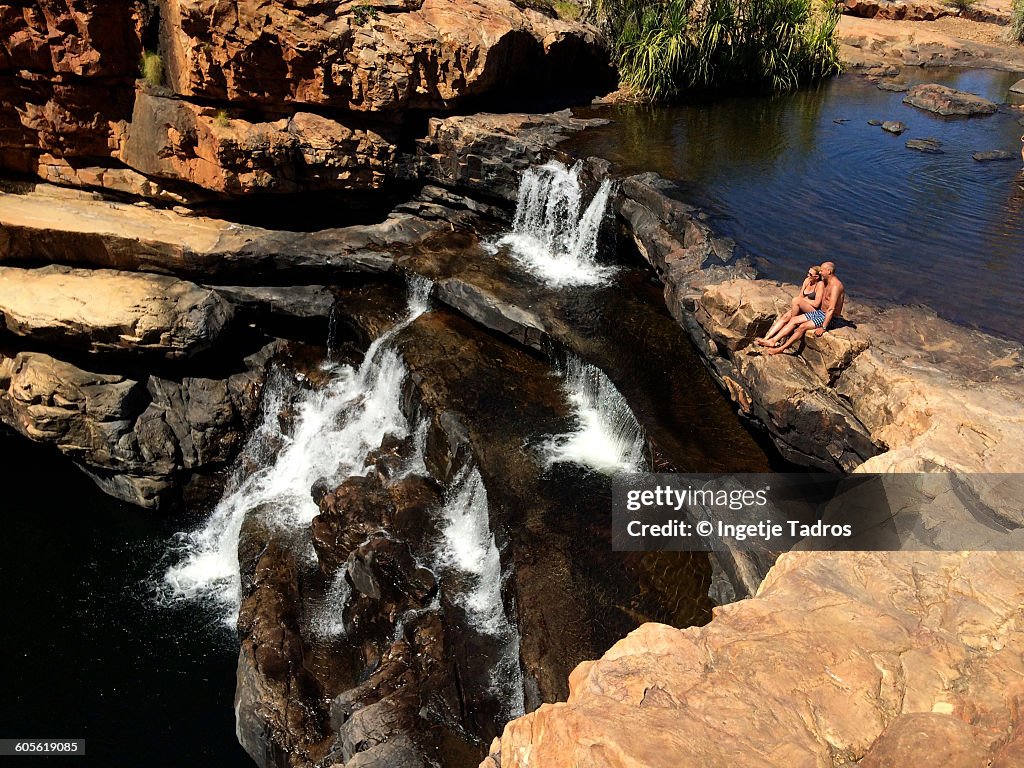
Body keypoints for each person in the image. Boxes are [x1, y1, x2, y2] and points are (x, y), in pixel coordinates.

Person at [762, 261, 845, 356]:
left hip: (830, 318)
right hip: (820, 312)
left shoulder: (836, 286)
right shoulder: (826, 282)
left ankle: (781, 348)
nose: (821, 272)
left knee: (802, 327)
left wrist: (823, 327)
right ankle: (772, 340)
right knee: (793, 319)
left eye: (822, 271)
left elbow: (831, 309)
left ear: (829, 271)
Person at [755, 266, 823, 346]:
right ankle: (767, 338)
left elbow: (816, 303)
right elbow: (801, 296)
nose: (808, 275)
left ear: (816, 277)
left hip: (814, 310)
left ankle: (786, 330)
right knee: (785, 317)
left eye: (810, 274)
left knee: (796, 301)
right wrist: (801, 301)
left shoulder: (820, 285)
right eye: (808, 273)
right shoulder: (807, 281)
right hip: (803, 306)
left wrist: (803, 301)